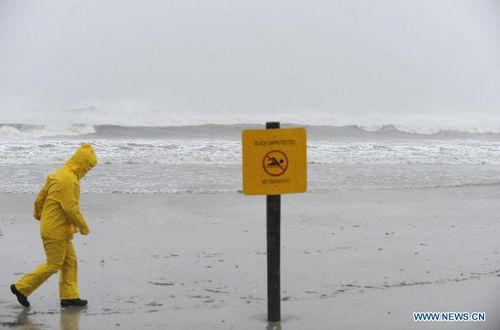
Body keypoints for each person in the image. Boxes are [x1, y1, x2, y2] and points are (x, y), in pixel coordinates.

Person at [10, 144, 97, 308]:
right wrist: (83, 226)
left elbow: (40, 198)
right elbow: (70, 209)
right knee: (54, 264)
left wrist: (38, 213)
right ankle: (21, 287)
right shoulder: (69, 181)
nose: (88, 170)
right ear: (82, 163)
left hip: (56, 227)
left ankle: (69, 296)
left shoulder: (60, 173)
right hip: (55, 230)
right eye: (88, 166)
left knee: (70, 261)